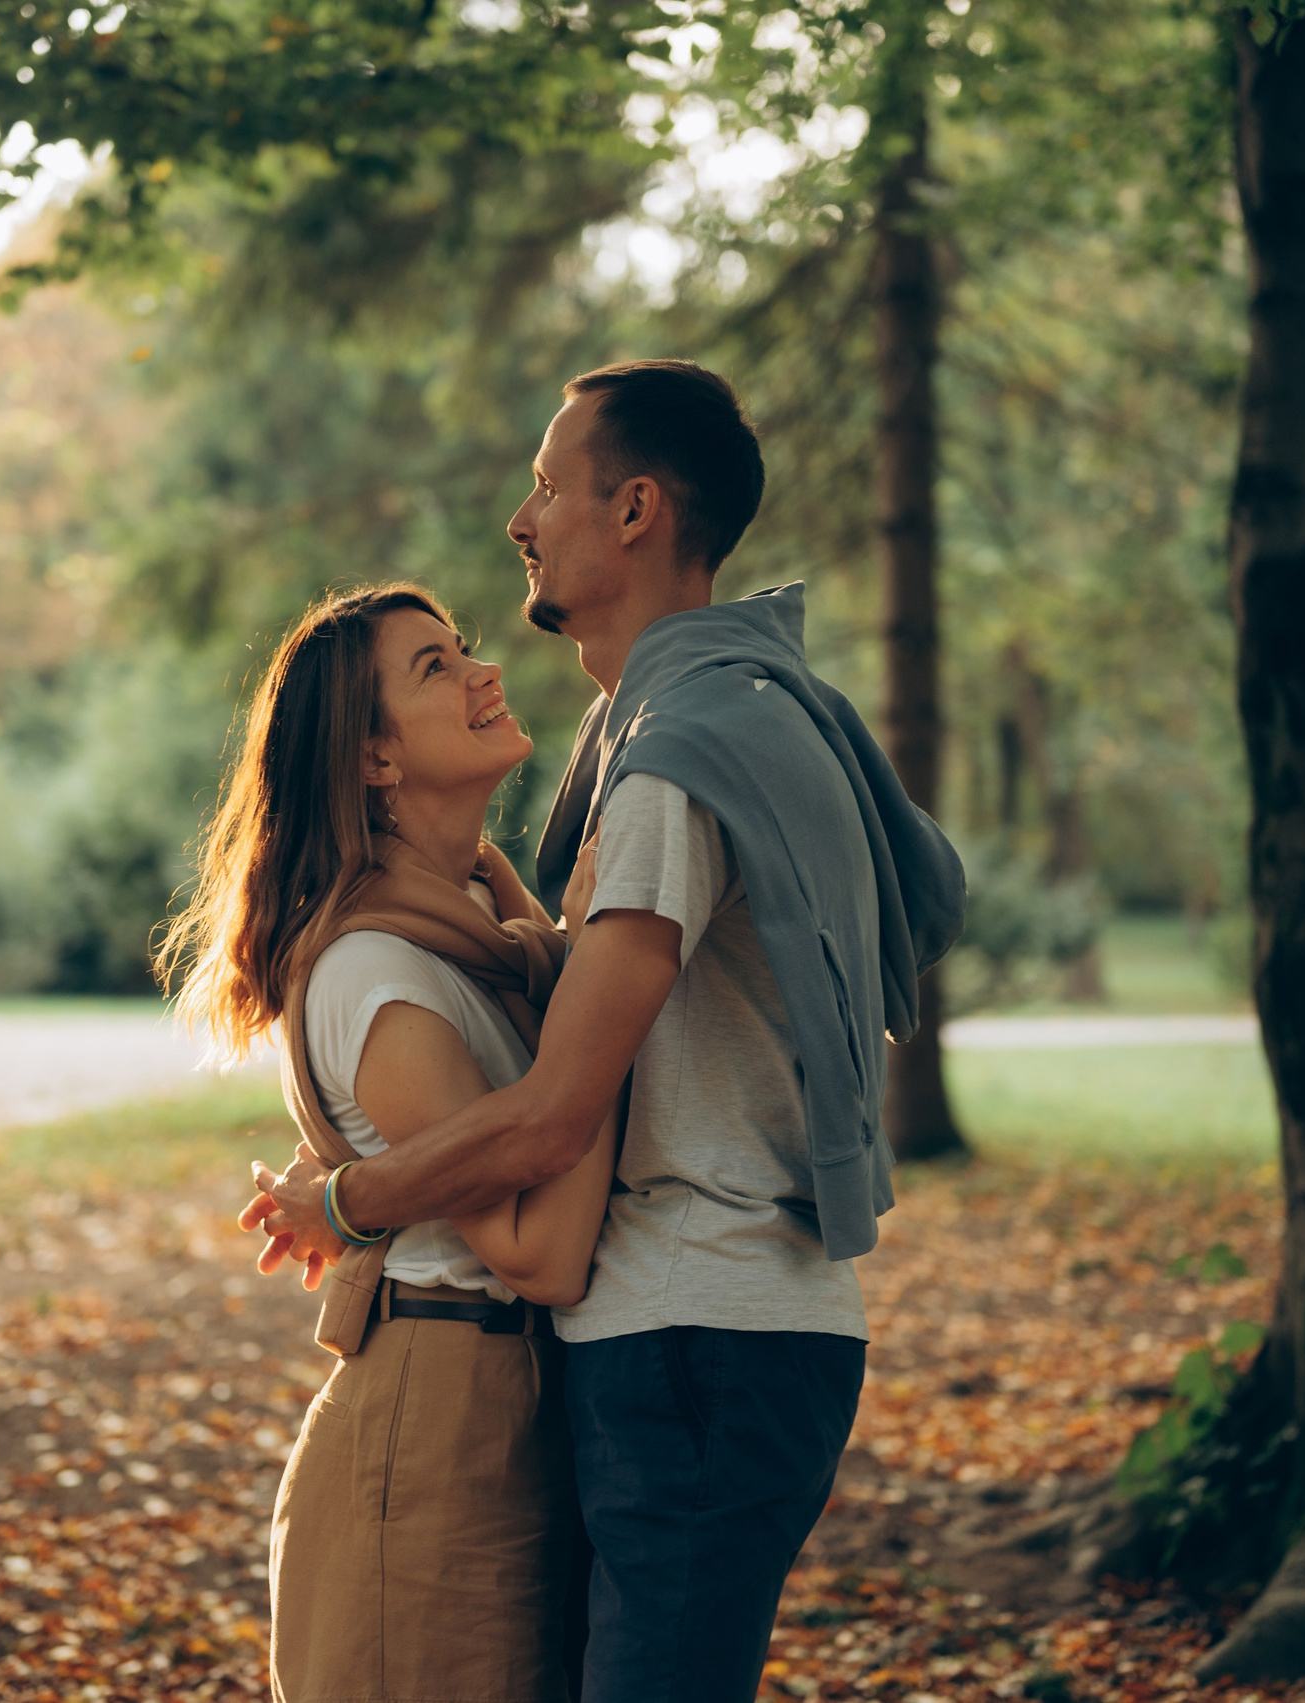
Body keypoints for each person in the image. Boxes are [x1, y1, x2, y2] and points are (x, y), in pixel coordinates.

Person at [243, 360, 966, 1702]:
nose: (522, 519)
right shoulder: (739, 718)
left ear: (633, 511)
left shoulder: (672, 760)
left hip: (698, 1332)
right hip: (715, 1332)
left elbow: (559, 1110)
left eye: (549, 485)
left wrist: (347, 1197)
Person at [160, 583, 622, 1703]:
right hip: (432, 1431)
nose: (484, 672)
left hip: (496, 1407)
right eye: (434, 668)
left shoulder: (480, 931)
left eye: (463, 649)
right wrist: (609, 992)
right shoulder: (380, 974)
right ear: (372, 757)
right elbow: (539, 1251)